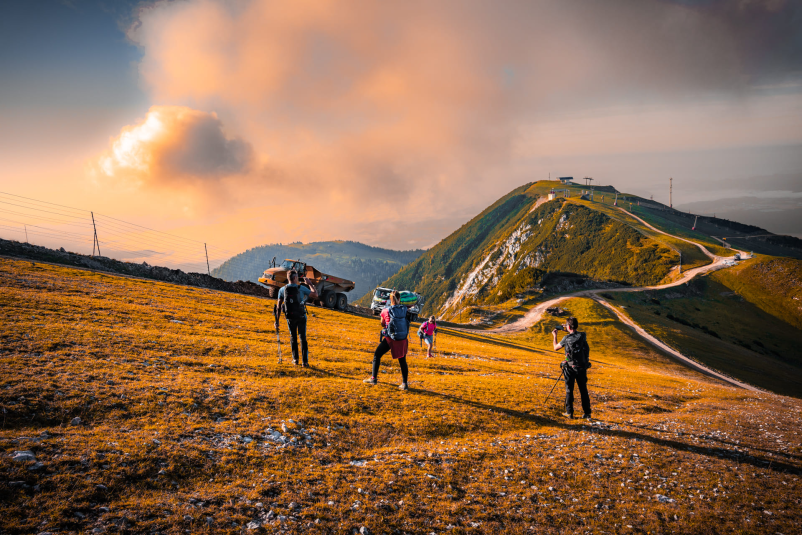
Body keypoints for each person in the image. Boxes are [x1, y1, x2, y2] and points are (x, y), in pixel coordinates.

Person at [364, 290, 412, 390]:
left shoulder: (386, 310)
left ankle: (374, 378)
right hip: (402, 339)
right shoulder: (404, 310)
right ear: (399, 299)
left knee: (377, 355)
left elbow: (382, 323)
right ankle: (404, 384)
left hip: (390, 338)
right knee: (402, 361)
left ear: (390, 299)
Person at [275, 269, 318, 367]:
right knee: (303, 338)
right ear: (294, 278)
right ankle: (305, 362)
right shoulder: (301, 288)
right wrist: (310, 283)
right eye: (297, 276)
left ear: (288, 278)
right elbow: (315, 295)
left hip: (289, 317)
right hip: (301, 316)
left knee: (293, 337)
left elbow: (278, 306)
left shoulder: (282, 290)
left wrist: (277, 321)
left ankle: (295, 360)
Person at [551, 316, 591, 419]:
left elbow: (555, 348)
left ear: (568, 326)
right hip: (582, 367)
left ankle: (569, 412)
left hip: (570, 367)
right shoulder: (582, 336)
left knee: (569, 389)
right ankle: (587, 413)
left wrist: (554, 336)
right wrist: (568, 330)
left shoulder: (566, 338)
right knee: (583, 390)